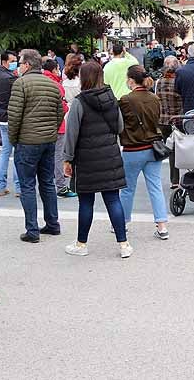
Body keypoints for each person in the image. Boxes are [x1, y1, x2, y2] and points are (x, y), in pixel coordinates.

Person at [62, 61, 131, 258]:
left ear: (83, 78)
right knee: (113, 200)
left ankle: (81, 244)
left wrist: (67, 159)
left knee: (86, 203)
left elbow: (71, 134)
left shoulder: (79, 102)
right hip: (109, 156)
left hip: (86, 159)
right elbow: (119, 127)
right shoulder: (111, 99)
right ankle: (124, 244)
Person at [7, 49, 64, 243]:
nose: (19, 66)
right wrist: (52, 132)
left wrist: (14, 139)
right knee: (47, 182)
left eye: (20, 63)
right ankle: (53, 223)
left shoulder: (21, 84)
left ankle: (32, 230)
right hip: (48, 140)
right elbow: (59, 113)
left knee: (28, 185)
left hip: (27, 141)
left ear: (27, 65)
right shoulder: (52, 84)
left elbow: (14, 117)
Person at [118, 66, 169, 239]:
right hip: (153, 148)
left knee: (127, 189)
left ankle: (122, 224)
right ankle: (162, 226)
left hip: (132, 148)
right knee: (155, 187)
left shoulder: (125, 100)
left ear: (131, 80)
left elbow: (120, 124)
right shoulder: (154, 98)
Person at [42, 59, 72, 198]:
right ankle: (61, 187)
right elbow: (63, 107)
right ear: (54, 70)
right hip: (58, 125)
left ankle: (45, 184)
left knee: (45, 157)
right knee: (58, 156)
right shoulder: (56, 85)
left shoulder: (40, 82)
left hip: (43, 125)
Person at [0, 50, 20, 197]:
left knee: (5, 152)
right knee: (17, 153)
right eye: (12, 60)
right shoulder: (9, 78)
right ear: (4, 62)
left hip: (1, 118)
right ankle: (19, 187)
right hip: (11, 118)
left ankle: (1, 186)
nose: (15, 62)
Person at [56, 55, 84, 197]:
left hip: (68, 111)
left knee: (67, 145)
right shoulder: (80, 83)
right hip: (78, 111)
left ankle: (66, 170)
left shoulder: (64, 82)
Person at [154, 56, 183, 189]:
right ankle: (184, 177)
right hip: (178, 119)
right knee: (184, 148)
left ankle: (174, 180)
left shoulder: (159, 82)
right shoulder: (178, 81)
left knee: (170, 149)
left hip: (163, 120)